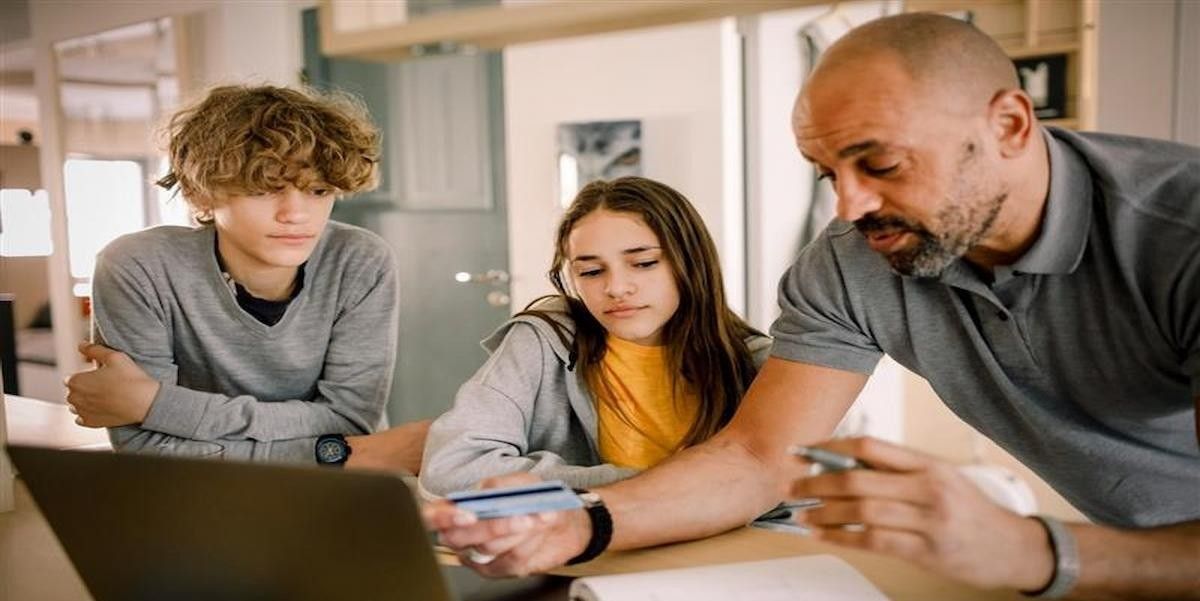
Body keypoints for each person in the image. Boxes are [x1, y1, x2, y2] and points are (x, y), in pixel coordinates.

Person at [424, 13, 1200, 598]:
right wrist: (583, 521)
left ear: (1008, 124)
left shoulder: (1180, 239)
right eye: (826, 170)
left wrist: (1029, 548)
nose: (851, 205)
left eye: (882, 163)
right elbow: (758, 457)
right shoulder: (849, 263)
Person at [65, 85, 428, 470]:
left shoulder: (359, 261)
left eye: (318, 190)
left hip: (341, 493)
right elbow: (145, 447)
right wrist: (339, 455)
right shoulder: (137, 267)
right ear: (199, 193)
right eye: (264, 189)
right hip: (198, 498)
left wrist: (156, 404)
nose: (296, 214)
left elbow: (350, 422)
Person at [418, 176, 771, 498]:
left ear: (691, 262)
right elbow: (450, 470)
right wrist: (648, 487)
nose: (616, 288)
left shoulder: (758, 362)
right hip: (591, 551)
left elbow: (793, 488)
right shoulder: (544, 339)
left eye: (644, 263)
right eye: (591, 271)